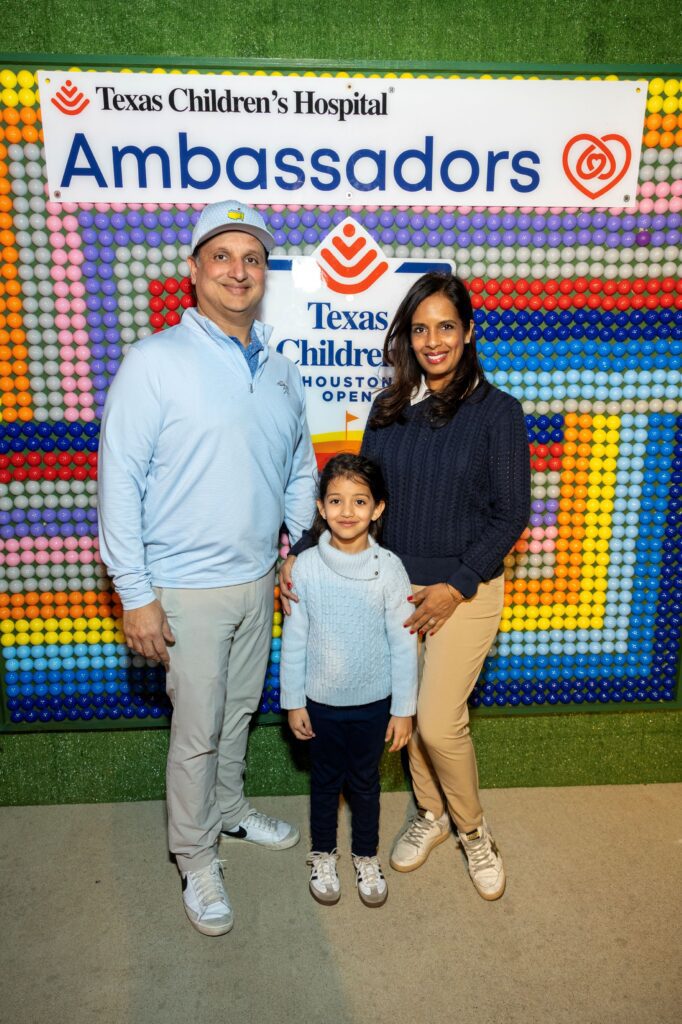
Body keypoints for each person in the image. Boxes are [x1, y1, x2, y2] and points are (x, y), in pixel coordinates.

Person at [98, 199, 318, 936]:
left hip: (258, 583)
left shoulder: (282, 371)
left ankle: (228, 809)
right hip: (182, 589)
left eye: (252, 258)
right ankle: (195, 859)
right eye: (222, 256)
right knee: (195, 732)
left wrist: (294, 549)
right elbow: (119, 482)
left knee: (238, 712)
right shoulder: (153, 361)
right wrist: (135, 594)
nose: (238, 270)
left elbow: (299, 470)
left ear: (265, 273)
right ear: (193, 269)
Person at [281, 271, 530, 901]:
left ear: (467, 332)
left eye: (446, 326)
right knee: (409, 715)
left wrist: (457, 584)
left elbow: (511, 514)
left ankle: (474, 831)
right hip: (392, 589)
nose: (433, 340)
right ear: (407, 338)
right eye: (420, 329)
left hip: (464, 590)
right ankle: (431, 813)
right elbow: (358, 496)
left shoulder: (498, 413)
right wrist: (301, 551)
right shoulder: (389, 409)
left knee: (440, 723)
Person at [280, 454, 417, 908]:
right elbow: (295, 640)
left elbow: (404, 643)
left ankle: (365, 855)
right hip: (320, 703)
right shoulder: (304, 567)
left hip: (374, 704)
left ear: (378, 508)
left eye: (360, 501)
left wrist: (403, 709)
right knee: (324, 783)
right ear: (321, 507)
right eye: (336, 500)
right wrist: (293, 701)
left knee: (365, 784)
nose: (347, 511)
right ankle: (323, 854)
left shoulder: (391, 568)